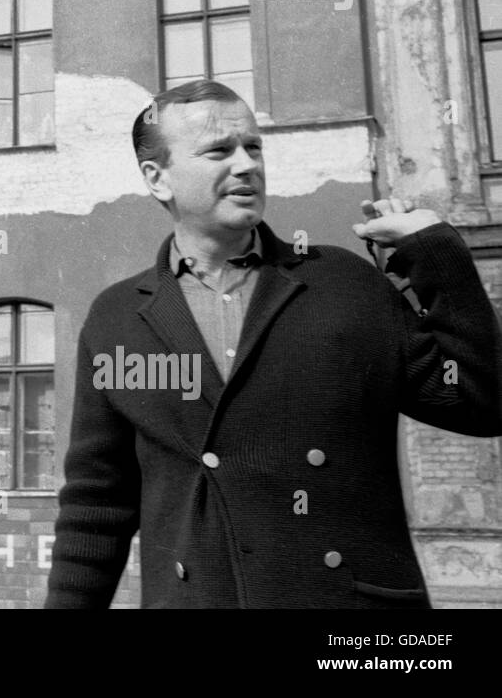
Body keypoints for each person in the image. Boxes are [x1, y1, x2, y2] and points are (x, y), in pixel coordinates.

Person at [45, 79, 502, 609]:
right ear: (158, 177)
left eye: (253, 146)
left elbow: (483, 402)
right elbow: (96, 506)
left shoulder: (342, 284)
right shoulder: (119, 318)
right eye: (219, 150)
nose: (246, 165)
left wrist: (437, 256)